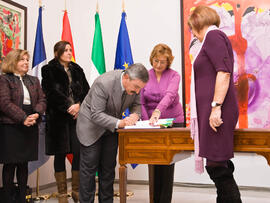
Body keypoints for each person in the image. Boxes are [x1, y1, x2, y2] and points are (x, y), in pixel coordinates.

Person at [188, 5, 241, 203]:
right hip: (212, 110)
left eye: (192, 28)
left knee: (216, 164)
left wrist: (216, 107)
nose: (192, 33)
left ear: (197, 23)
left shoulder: (213, 36)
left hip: (218, 110)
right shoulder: (211, 39)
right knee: (218, 163)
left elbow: (224, 72)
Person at [76, 63, 149, 203]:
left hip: (111, 129)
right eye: (136, 87)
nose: (138, 92)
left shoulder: (136, 87)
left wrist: (135, 115)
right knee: (88, 172)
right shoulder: (103, 83)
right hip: (91, 128)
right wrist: (120, 123)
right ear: (126, 77)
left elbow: (137, 105)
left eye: (141, 88)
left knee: (108, 170)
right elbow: (96, 114)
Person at [41, 41, 90, 203]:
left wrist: (79, 107)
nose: (69, 52)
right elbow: (50, 93)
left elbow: (86, 92)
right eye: (65, 50)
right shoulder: (48, 69)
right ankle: (62, 194)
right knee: (60, 154)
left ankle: (76, 190)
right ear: (57, 52)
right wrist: (69, 106)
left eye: (70, 50)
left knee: (78, 152)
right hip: (58, 119)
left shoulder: (77, 69)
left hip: (77, 118)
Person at [0, 49, 46, 203]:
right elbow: (4, 103)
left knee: (23, 163)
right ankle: (7, 199)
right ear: (13, 62)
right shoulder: (4, 80)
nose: (26, 62)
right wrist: (23, 117)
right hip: (11, 126)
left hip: (30, 123)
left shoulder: (34, 80)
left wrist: (37, 114)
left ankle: (21, 199)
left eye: (27, 59)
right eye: (22, 60)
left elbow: (42, 100)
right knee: (10, 164)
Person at [140, 43, 184, 203]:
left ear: (168, 62)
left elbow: (170, 95)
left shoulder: (174, 75)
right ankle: (154, 199)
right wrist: (147, 122)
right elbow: (141, 102)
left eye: (162, 62)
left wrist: (158, 111)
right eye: (156, 61)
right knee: (153, 163)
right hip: (151, 125)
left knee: (167, 163)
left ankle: (165, 200)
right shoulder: (144, 75)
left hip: (172, 122)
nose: (158, 65)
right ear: (152, 59)